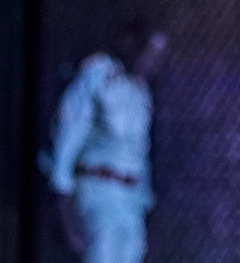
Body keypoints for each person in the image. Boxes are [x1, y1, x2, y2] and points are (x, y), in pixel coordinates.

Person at [46, 24, 169, 263]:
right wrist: (63, 204)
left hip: (130, 202)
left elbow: (139, 153)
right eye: (151, 52)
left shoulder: (141, 92)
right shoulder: (99, 73)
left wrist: (143, 206)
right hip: (98, 193)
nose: (155, 62)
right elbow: (68, 135)